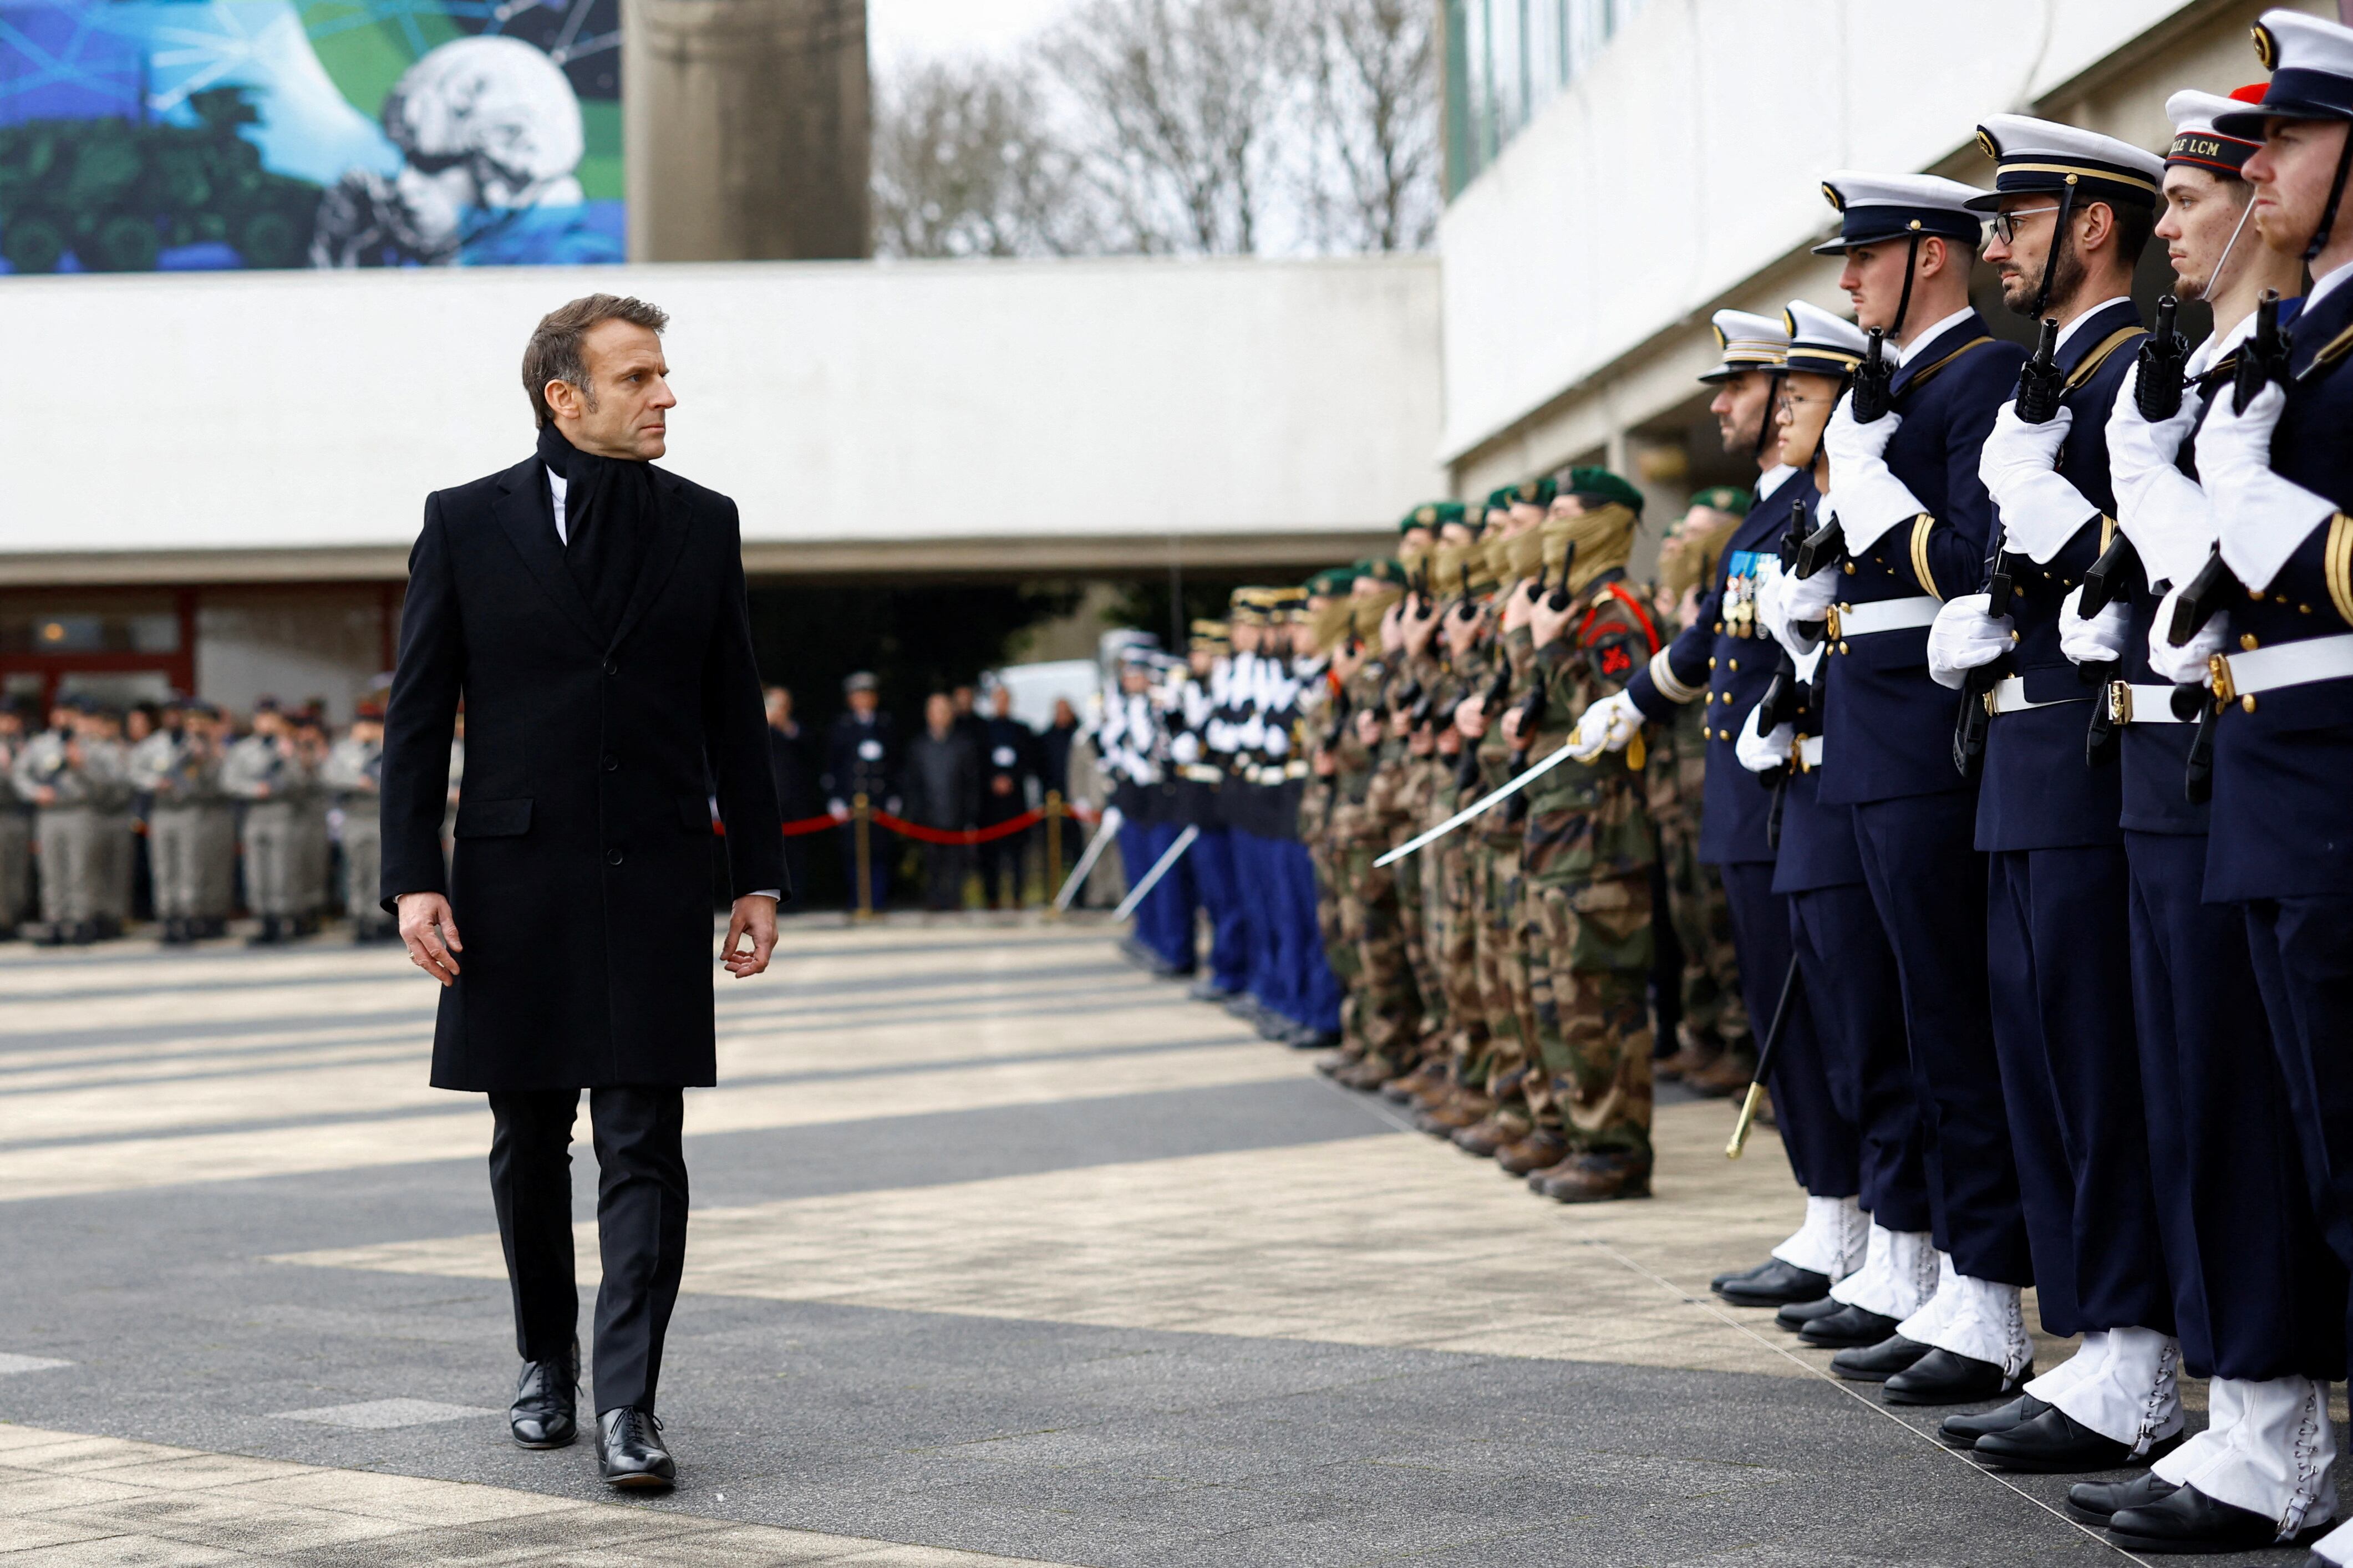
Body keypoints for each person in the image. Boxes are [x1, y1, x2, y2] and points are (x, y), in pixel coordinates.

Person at [378, 292, 786, 1491]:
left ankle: (630, 1405)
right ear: (568, 395)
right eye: (643, 376)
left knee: (645, 1142)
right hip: (514, 879)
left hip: (657, 873)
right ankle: (543, 1361)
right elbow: (415, 719)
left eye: (664, 375)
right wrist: (414, 881)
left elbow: (734, 713)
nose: (668, 394)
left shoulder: (704, 524)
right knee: (525, 1137)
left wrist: (756, 873)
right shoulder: (464, 523)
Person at [2051, 73, 2346, 1554]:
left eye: (2193, 193)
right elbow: (2186, 618)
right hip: (2240, 760)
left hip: (2303, 763)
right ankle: (2258, 1429)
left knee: (2292, 1125)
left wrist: (2194, 501)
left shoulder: (2313, 353)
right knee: (2219, 1110)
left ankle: (2283, 1442)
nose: (2172, 224)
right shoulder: (2248, 363)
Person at [1922, 116, 2177, 1471]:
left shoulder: (2128, 369)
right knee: (2037, 1052)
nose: (1994, 244)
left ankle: (2133, 1352)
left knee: (2090, 1052)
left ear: (2092, 226)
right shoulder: (2047, 380)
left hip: (2085, 741)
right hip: (2021, 750)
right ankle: (2091, 1336)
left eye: (2016, 220)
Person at [2130, 16, 2353, 1555]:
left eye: (2285, 139)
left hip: (2335, 775)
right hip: (2274, 775)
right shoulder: (2306, 339)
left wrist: (2259, 504)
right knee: (2317, 1146)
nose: (2253, 162)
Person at [1764, 170, 2035, 1406]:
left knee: (1950, 1023)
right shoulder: (1902, 388)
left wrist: (1869, 495)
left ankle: (1984, 1290)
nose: (1846, 279)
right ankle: (1936, 1268)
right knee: (1915, 1024)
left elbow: (1979, 555)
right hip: (1872, 741)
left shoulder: (1973, 378)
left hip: (1929, 743)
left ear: (1930, 255)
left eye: (1863, 256)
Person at [222, 700, 311, 946]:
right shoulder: (243, 750)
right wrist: (253, 789)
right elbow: (230, 781)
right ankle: (264, 920)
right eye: (262, 718)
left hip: (282, 812)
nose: (267, 723)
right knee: (257, 871)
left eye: (272, 718)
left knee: (282, 871)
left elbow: (302, 783)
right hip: (255, 813)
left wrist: (291, 756)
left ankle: (286, 920)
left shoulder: (290, 748)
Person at [823, 672, 897, 914]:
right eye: (858, 695)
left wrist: (895, 797)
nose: (863, 700)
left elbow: (895, 766)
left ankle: (877, 900)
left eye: (867, 695)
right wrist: (834, 799)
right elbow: (832, 766)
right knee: (853, 853)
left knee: (879, 852)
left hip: (878, 803)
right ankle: (857, 901)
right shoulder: (842, 727)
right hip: (852, 801)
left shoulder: (886, 725)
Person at [902, 690, 979, 913]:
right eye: (937, 711)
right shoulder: (918, 747)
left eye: (945, 711)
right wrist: (914, 813)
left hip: (956, 814)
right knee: (932, 862)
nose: (941, 716)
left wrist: (971, 815)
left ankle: (955, 899)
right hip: (928, 816)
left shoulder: (964, 745)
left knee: (956, 862)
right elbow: (912, 783)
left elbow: (971, 783)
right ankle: (934, 899)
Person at [323, 703, 392, 943]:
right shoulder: (343, 750)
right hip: (354, 815)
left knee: (378, 870)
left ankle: (381, 919)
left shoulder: (387, 747)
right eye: (364, 724)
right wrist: (356, 781)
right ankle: (359, 918)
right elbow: (330, 776)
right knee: (355, 870)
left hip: (378, 815)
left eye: (373, 724)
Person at [975, 682, 1038, 910]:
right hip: (990, 804)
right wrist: (994, 780)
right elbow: (977, 764)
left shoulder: (1022, 729)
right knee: (990, 854)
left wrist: (1011, 779)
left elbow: (1030, 761)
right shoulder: (983, 730)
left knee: (1017, 854)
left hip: (1016, 803)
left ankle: (1018, 896)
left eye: (1005, 699)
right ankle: (992, 898)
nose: (1001, 703)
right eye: (998, 699)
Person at [764, 685, 819, 906]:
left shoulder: (795, 731)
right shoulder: (756, 729)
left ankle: (795, 899)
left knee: (795, 854)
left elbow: (810, 754)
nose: (781, 709)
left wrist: (786, 726)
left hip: (793, 802)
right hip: (766, 802)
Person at [0, 701, 29, 937]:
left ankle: (14, 916)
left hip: (19, 815)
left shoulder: (26, 746)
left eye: (13, 718)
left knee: (16, 871)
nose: (10, 723)